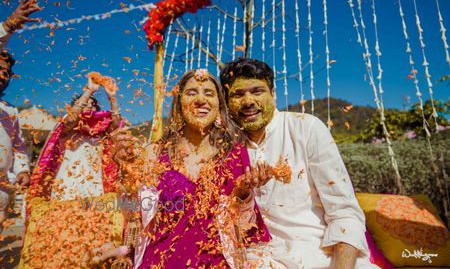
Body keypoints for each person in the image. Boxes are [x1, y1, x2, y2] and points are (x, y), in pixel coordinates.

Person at [220, 58, 378, 268]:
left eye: (257, 91)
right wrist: (241, 194)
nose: (248, 101)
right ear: (226, 102)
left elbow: (344, 211)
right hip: (260, 259)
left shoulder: (305, 128)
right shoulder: (225, 147)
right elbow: (226, 225)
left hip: (323, 255)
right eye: (238, 94)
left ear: (273, 94)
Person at [109, 70, 272, 268]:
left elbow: (246, 228)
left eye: (209, 94)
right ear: (178, 103)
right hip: (159, 262)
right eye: (192, 93)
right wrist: (126, 172)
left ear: (219, 105)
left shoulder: (236, 154)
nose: (201, 100)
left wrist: (244, 193)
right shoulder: (154, 153)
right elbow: (132, 213)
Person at [27, 74, 122, 203]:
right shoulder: (67, 127)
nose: (89, 106)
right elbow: (72, 118)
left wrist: (112, 97)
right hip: (66, 186)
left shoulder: (99, 131)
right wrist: (89, 90)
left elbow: (116, 124)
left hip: (95, 186)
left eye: (93, 104)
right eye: (85, 103)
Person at [1, 0, 41, 231]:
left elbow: (18, 146)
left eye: (7, 72)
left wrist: (22, 170)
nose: (3, 75)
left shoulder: (9, 111)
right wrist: (7, 26)